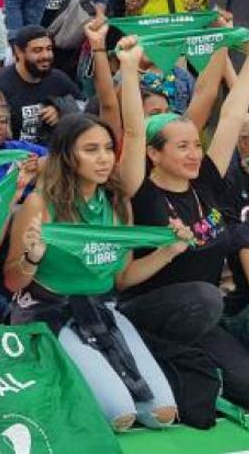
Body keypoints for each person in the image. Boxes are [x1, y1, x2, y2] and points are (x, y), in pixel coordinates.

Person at [5, 108, 181, 430]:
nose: (104, 158)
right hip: (48, 312)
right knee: (120, 415)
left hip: (102, 310)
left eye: (108, 148)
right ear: (67, 157)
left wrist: (168, 251)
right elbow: (12, 281)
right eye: (91, 150)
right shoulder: (40, 204)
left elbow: (122, 278)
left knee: (162, 414)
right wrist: (32, 258)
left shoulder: (118, 203)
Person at [117, 38, 249, 408]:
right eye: (182, 147)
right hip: (146, 311)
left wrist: (243, 54)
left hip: (201, 316)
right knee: (206, 296)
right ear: (154, 153)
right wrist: (128, 70)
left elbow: (231, 115)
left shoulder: (206, 180)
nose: (194, 154)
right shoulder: (139, 192)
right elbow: (123, 279)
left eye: (196, 144)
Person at [0, 26, 83, 146]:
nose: (46, 56)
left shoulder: (58, 79)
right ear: (19, 52)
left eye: (49, 49)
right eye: (37, 50)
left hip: (53, 155)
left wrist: (61, 110)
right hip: (14, 156)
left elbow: (84, 107)